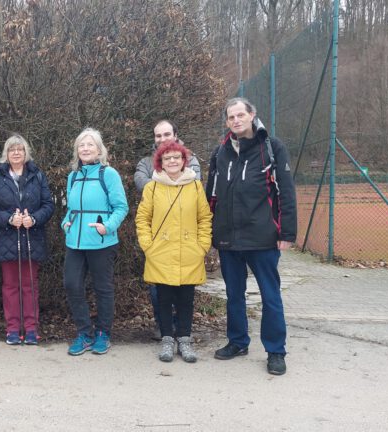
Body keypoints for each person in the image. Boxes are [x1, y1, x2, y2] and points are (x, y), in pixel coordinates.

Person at [206, 97, 297, 376]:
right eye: (231, 117)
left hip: (263, 238)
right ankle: (237, 342)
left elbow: (286, 192)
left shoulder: (272, 148)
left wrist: (287, 232)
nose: (236, 120)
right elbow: (211, 196)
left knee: (270, 296)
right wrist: (211, 233)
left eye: (240, 115)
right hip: (228, 238)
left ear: (251, 115)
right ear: (227, 122)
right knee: (234, 294)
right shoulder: (219, 153)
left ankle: (275, 351)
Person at [135, 140, 212, 363]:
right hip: (160, 252)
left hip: (190, 251)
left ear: (183, 161)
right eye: (167, 158)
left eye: (176, 157)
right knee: (164, 298)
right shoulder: (152, 187)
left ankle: (185, 339)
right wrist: (148, 245)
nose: (172, 161)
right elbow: (143, 219)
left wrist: (202, 246)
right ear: (160, 162)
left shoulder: (195, 186)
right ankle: (167, 339)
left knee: (186, 298)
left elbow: (204, 218)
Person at [61, 128, 128, 356]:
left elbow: (121, 207)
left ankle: (103, 334)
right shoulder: (73, 176)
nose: (85, 149)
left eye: (90, 145)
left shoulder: (108, 174)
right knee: (72, 285)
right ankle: (84, 333)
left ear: (99, 150)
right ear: (77, 150)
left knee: (103, 288)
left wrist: (106, 226)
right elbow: (70, 209)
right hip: (75, 243)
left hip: (101, 241)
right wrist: (65, 223)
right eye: (81, 145)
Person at [0, 135, 54, 345]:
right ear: (6, 153)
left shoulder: (37, 176)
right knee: (10, 286)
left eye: (20, 149)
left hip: (32, 237)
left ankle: (31, 328)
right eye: (12, 149)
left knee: (30, 285)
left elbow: (48, 205)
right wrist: (8, 219)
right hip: (7, 239)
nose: (16, 153)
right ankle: (13, 328)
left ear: (25, 153)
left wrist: (33, 219)